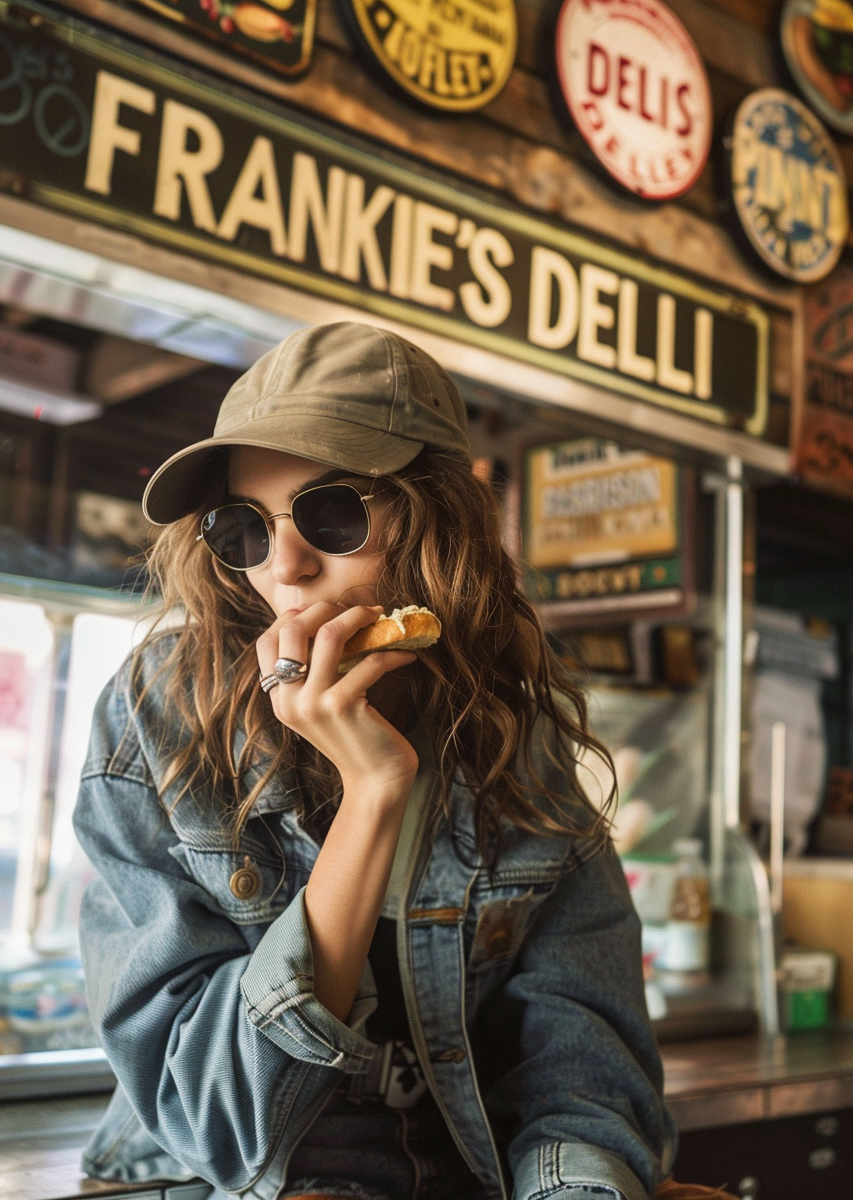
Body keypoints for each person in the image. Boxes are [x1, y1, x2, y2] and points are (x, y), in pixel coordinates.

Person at [74, 322, 734, 1200]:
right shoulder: (160, 714)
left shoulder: (511, 735)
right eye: (243, 529)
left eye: (333, 513)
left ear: (441, 517)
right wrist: (372, 796)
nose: (287, 566)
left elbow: (582, 1083)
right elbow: (218, 1124)